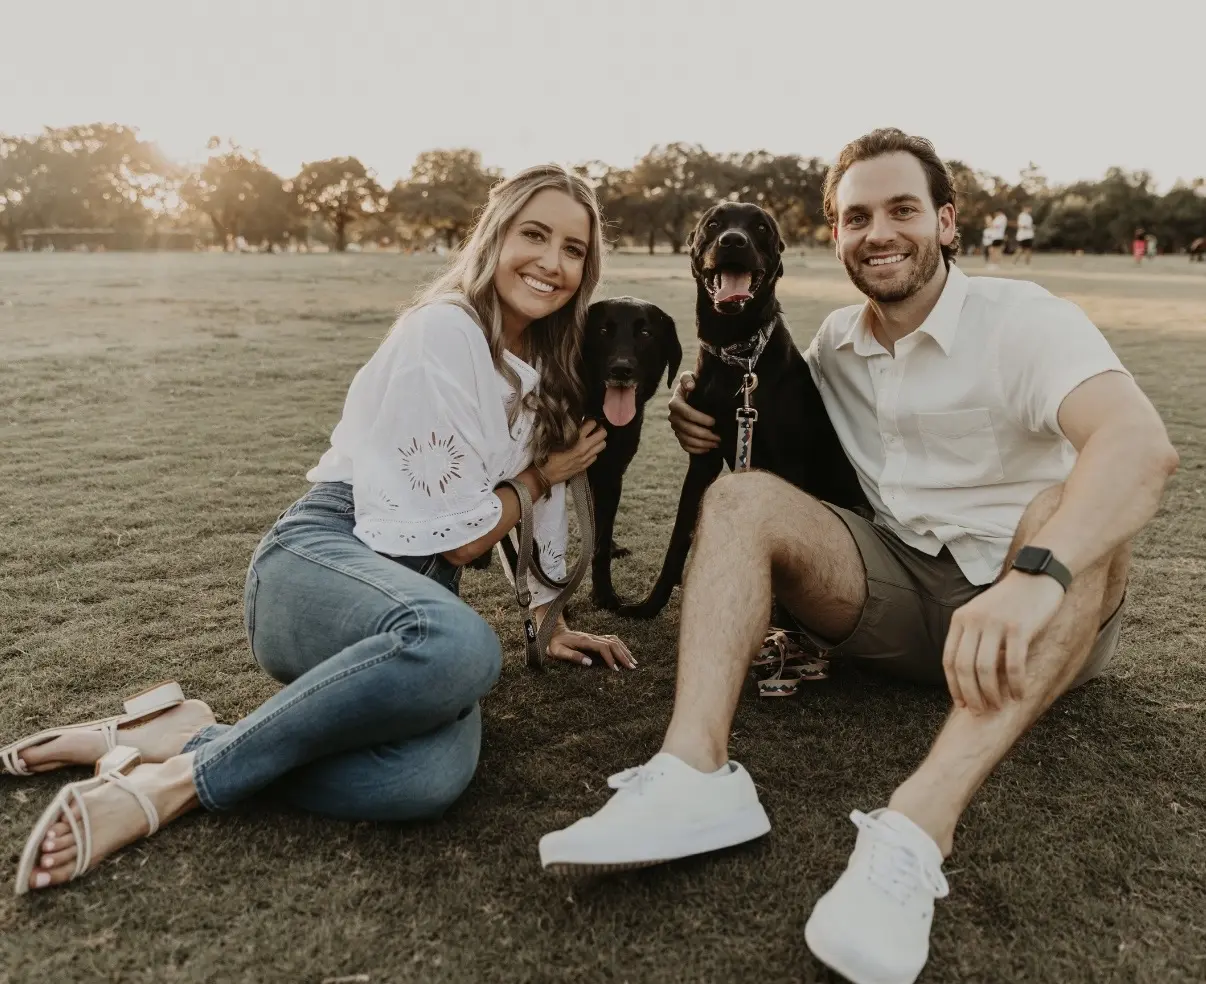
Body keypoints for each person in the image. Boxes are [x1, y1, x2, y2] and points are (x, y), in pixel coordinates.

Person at [539, 129, 1178, 984]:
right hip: (897, 600)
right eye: (857, 217)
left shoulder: (1024, 319)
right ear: (834, 236)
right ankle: (694, 775)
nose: (880, 233)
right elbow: (758, 406)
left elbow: (1141, 449)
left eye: (903, 210)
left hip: (1035, 615)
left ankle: (915, 831)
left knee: (1063, 502)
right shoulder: (835, 344)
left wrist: (1033, 579)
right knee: (737, 497)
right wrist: (698, 411)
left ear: (947, 222)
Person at [9, 163, 635, 895]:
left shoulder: (544, 366)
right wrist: (536, 478)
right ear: (495, 235)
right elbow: (467, 537)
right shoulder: (445, 331)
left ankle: (178, 735)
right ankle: (167, 786)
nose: (551, 263)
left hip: (413, 600)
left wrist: (548, 619)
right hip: (320, 562)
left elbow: (527, 511)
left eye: (572, 250)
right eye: (535, 235)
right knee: (461, 645)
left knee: (428, 777)